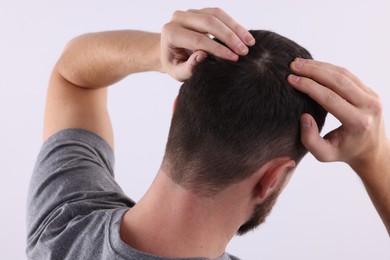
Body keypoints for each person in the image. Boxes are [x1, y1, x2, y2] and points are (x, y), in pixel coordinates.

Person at [26, 7, 390, 260]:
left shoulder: (63, 223)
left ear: (174, 115)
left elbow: (73, 75)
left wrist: (156, 51)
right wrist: (374, 160)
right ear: (273, 178)